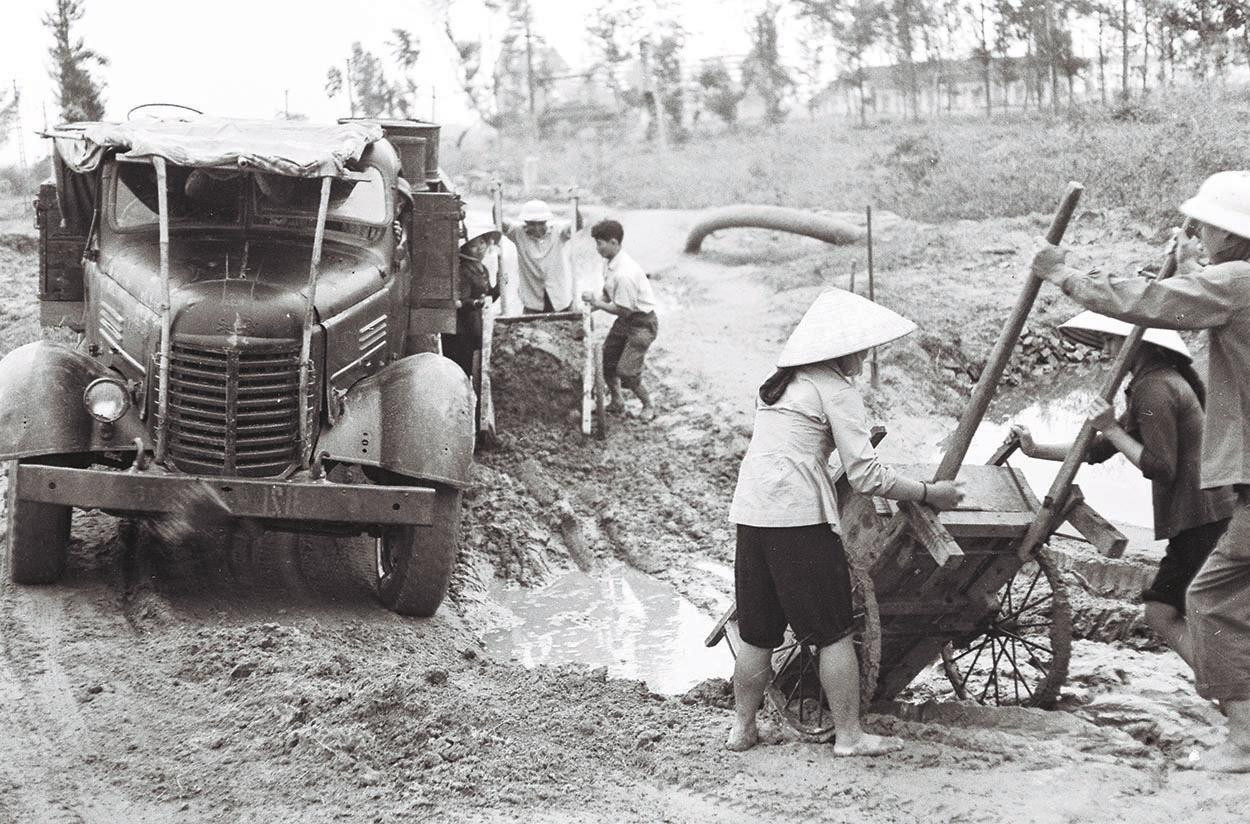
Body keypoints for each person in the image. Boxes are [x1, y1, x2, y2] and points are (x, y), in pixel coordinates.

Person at [1030, 170, 1250, 773]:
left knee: (1206, 600)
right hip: (1233, 491)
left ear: (1230, 236)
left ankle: (1242, 737)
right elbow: (1185, 302)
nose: (1199, 233)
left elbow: (1152, 302)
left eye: (1206, 227)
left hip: (1233, 494)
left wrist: (1063, 273)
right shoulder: (1228, 291)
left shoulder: (1233, 284)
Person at [725, 288, 964, 756]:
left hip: (752, 516)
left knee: (757, 631)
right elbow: (866, 474)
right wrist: (930, 493)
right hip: (798, 521)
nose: (863, 356)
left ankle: (742, 729)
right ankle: (850, 737)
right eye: (860, 348)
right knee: (833, 631)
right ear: (837, 350)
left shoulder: (777, 386)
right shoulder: (835, 390)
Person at [1010, 311, 1234, 668]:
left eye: (1114, 339)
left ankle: (1226, 691)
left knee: (1161, 613)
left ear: (1140, 344)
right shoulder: (1154, 380)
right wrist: (1036, 449)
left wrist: (1111, 427)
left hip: (1200, 516)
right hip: (1209, 513)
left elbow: (1161, 467)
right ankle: (1227, 688)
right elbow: (1099, 449)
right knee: (1201, 611)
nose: (1106, 348)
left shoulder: (1154, 388)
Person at [582, 219, 659, 422]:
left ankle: (648, 405)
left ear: (614, 242)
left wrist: (597, 304)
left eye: (600, 243)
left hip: (641, 323)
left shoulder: (625, 273)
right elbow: (608, 293)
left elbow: (623, 310)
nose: (597, 248)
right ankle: (617, 403)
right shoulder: (609, 264)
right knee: (607, 362)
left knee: (627, 371)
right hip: (627, 321)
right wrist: (594, 304)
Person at [442, 221, 501, 380]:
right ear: (465, 249)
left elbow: (488, 298)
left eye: (482, 242)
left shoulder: (482, 269)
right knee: (461, 370)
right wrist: (475, 303)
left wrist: (499, 286)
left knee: (477, 368)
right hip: (461, 330)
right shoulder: (463, 269)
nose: (480, 248)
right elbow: (462, 300)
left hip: (475, 325)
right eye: (474, 246)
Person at [502, 199, 575, 314]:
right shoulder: (518, 234)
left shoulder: (558, 232)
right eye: (531, 223)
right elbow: (499, 221)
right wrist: (498, 195)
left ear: (546, 221)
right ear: (525, 222)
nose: (536, 228)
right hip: (533, 302)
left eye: (540, 223)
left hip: (560, 301)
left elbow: (577, 225)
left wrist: (575, 203)